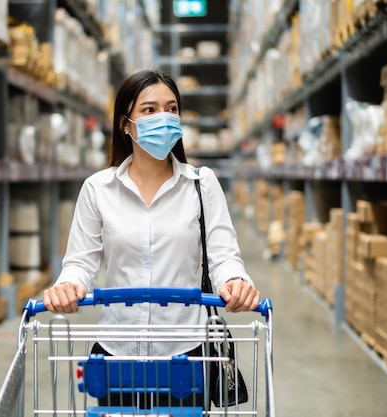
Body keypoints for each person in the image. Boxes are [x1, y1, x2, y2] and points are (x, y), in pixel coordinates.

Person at [43, 69, 260, 405]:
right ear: (124, 123)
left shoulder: (202, 184)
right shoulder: (98, 189)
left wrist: (235, 281)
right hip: (117, 350)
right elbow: (79, 263)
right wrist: (68, 285)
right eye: (149, 110)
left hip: (185, 353)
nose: (164, 118)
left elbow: (224, 257)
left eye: (172, 109)